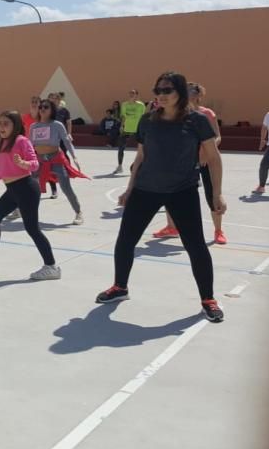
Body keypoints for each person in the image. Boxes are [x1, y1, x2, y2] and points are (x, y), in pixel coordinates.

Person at [95, 72, 226, 323]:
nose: (161, 95)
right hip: (146, 190)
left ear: (180, 92)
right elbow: (141, 157)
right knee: (125, 241)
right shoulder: (147, 121)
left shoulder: (197, 120)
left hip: (183, 191)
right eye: (158, 90)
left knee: (196, 247)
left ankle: (208, 299)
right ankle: (120, 287)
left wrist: (217, 193)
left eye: (167, 90)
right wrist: (129, 189)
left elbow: (213, 157)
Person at [0, 111, 59, 280]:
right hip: (12, 190)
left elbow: (35, 163)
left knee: (32, 229)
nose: (1, 127)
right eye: (0, 123)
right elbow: (3, 171)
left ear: (15, 125)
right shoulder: (3, 142)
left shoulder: (21, 141)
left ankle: (52, 267)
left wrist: (24, 164)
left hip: (26, 189)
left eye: (6, 124)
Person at [151, 82, 227, 244]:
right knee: (171, 193)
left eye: (191, 90)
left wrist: (207, 152)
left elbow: (217, 137)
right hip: (183, 161)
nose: (186, 93)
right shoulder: (177, 113)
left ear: (199, 95)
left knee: (211, 194)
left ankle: (218, 230)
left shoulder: (207, 113)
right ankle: (172, 227)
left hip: (205, 160)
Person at [32, 100, 87, 225]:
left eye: (46, 107)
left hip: (55, 159)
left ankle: (78, 212)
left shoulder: (57, 125)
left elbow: (67, 141)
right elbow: (30, 145)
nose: (42, 109)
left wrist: (74, 157)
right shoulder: (34, 127)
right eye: (40, 107)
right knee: (28, 186)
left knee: (66, 187)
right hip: (40, 160)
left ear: (52, 110)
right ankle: (19, 209)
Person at [115, 89, 146, 174]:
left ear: (137, 95)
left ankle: (142, 166)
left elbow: (143, 117)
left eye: (133, 93)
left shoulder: (141, 105)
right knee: (121, 148)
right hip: (126, 129)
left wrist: (143, 128)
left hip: (137, 130)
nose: (131, 94)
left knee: (142, 149)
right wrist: (121, 126)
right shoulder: (124, 105)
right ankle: (120, 166)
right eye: (130, 93)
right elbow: (124, 117)